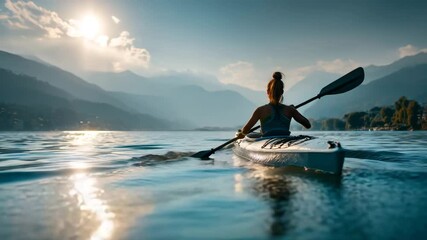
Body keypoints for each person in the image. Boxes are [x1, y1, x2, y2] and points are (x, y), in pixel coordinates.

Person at [237, 72, 311, 138]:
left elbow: (245, 130)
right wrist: (294, 111)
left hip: (266, 141)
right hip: (285, 139)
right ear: (282, 92)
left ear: (268, 92)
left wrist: (241, 133)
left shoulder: (260, 110)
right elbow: (308, 125)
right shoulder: (290, 110)